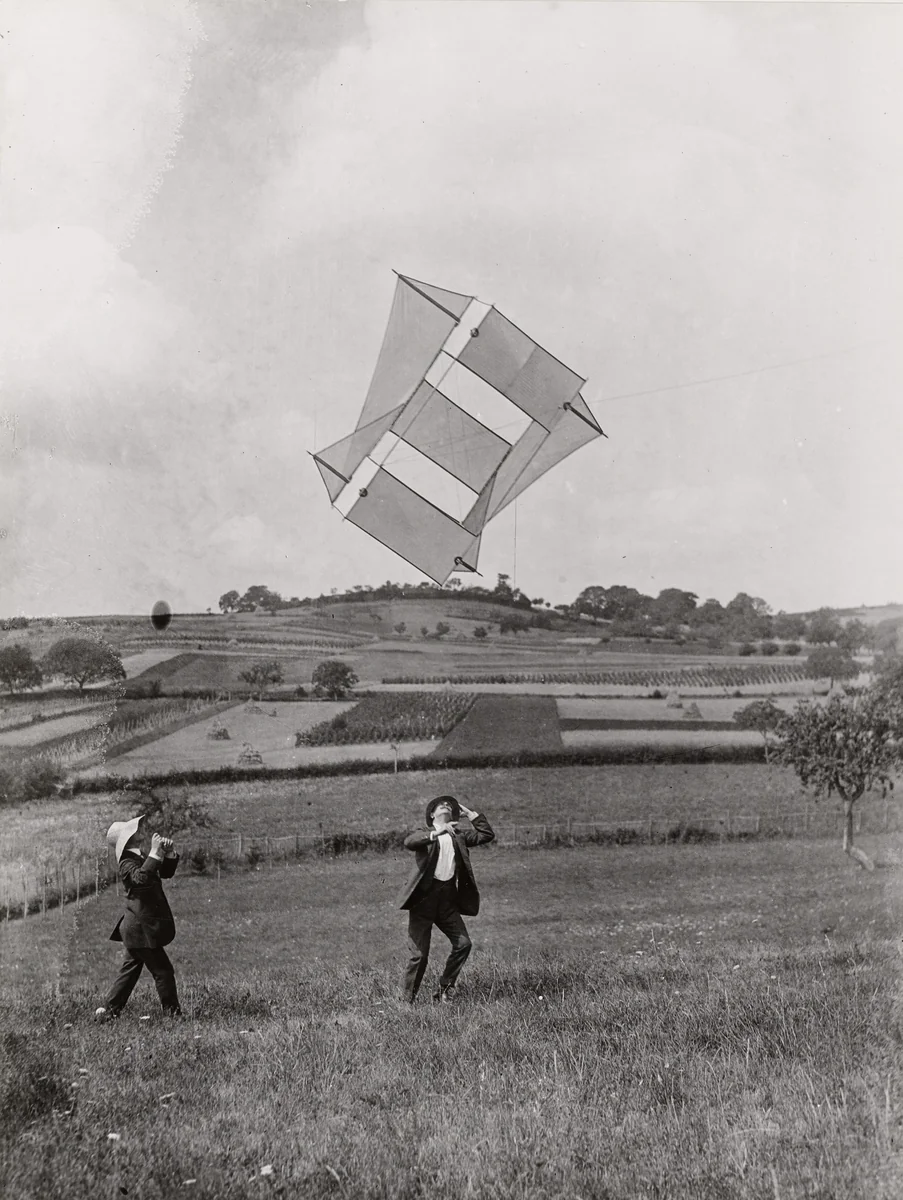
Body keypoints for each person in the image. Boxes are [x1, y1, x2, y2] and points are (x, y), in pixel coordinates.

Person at [399, 795, 495, 1004]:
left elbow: (486, 834)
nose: (445, 806)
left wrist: (471, 815)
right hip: (423, 903)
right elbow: (409, 842)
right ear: (432, 814)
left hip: (447, 903)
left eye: (448, 806)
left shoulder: (458, 835)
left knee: (463, 944)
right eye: (439, 805)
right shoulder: (424, 834)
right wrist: (436, 833)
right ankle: (407, 1002)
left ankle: (444, 989)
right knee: (419, 956)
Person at [94, 815, 182, 1021]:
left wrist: (168, 854)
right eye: (132, 831)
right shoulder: (126, 862)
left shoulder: (139, 856)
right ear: (127, 838)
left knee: (130, 972)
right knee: (163, 972)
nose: (138, 831)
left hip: (137, 928)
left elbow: (164, 874)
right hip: (140, 928)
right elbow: (141, 880)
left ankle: (108, 1012)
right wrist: (154, 852)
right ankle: (173, 1016)